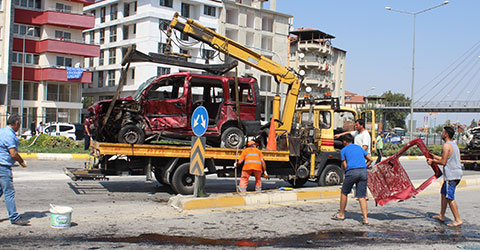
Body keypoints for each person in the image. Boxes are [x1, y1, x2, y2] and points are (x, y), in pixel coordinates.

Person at [332, 134, 373, 224]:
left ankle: (341, 214)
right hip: (363, 172)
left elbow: (345, 166)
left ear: (344, 142)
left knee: (344, 192)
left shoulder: (343, 150)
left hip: (352, 172)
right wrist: (365, 167)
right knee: (362, 196)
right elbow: (370, 159)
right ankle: (365, 219)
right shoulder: (359, 148)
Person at [427, 126, 463, 227]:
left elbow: (443, 162)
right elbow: (446, 158)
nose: (442, 134)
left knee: (449, 197)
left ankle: (458, 219)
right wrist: (434, 157)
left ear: (446, 134)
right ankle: (441, 215)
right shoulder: (453, 145)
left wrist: (432, 161)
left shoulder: (446, 146)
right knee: (443, 193)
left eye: (443, 132)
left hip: (451, 175)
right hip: (456, 173)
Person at [0, 114, 30, 226]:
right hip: (3, 167)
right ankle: (14, 217)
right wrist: (21, 161)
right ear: (17, 123)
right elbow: (13, 153)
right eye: (20, 124)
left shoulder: (2, 131)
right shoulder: (9, 135)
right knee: (9, 192)